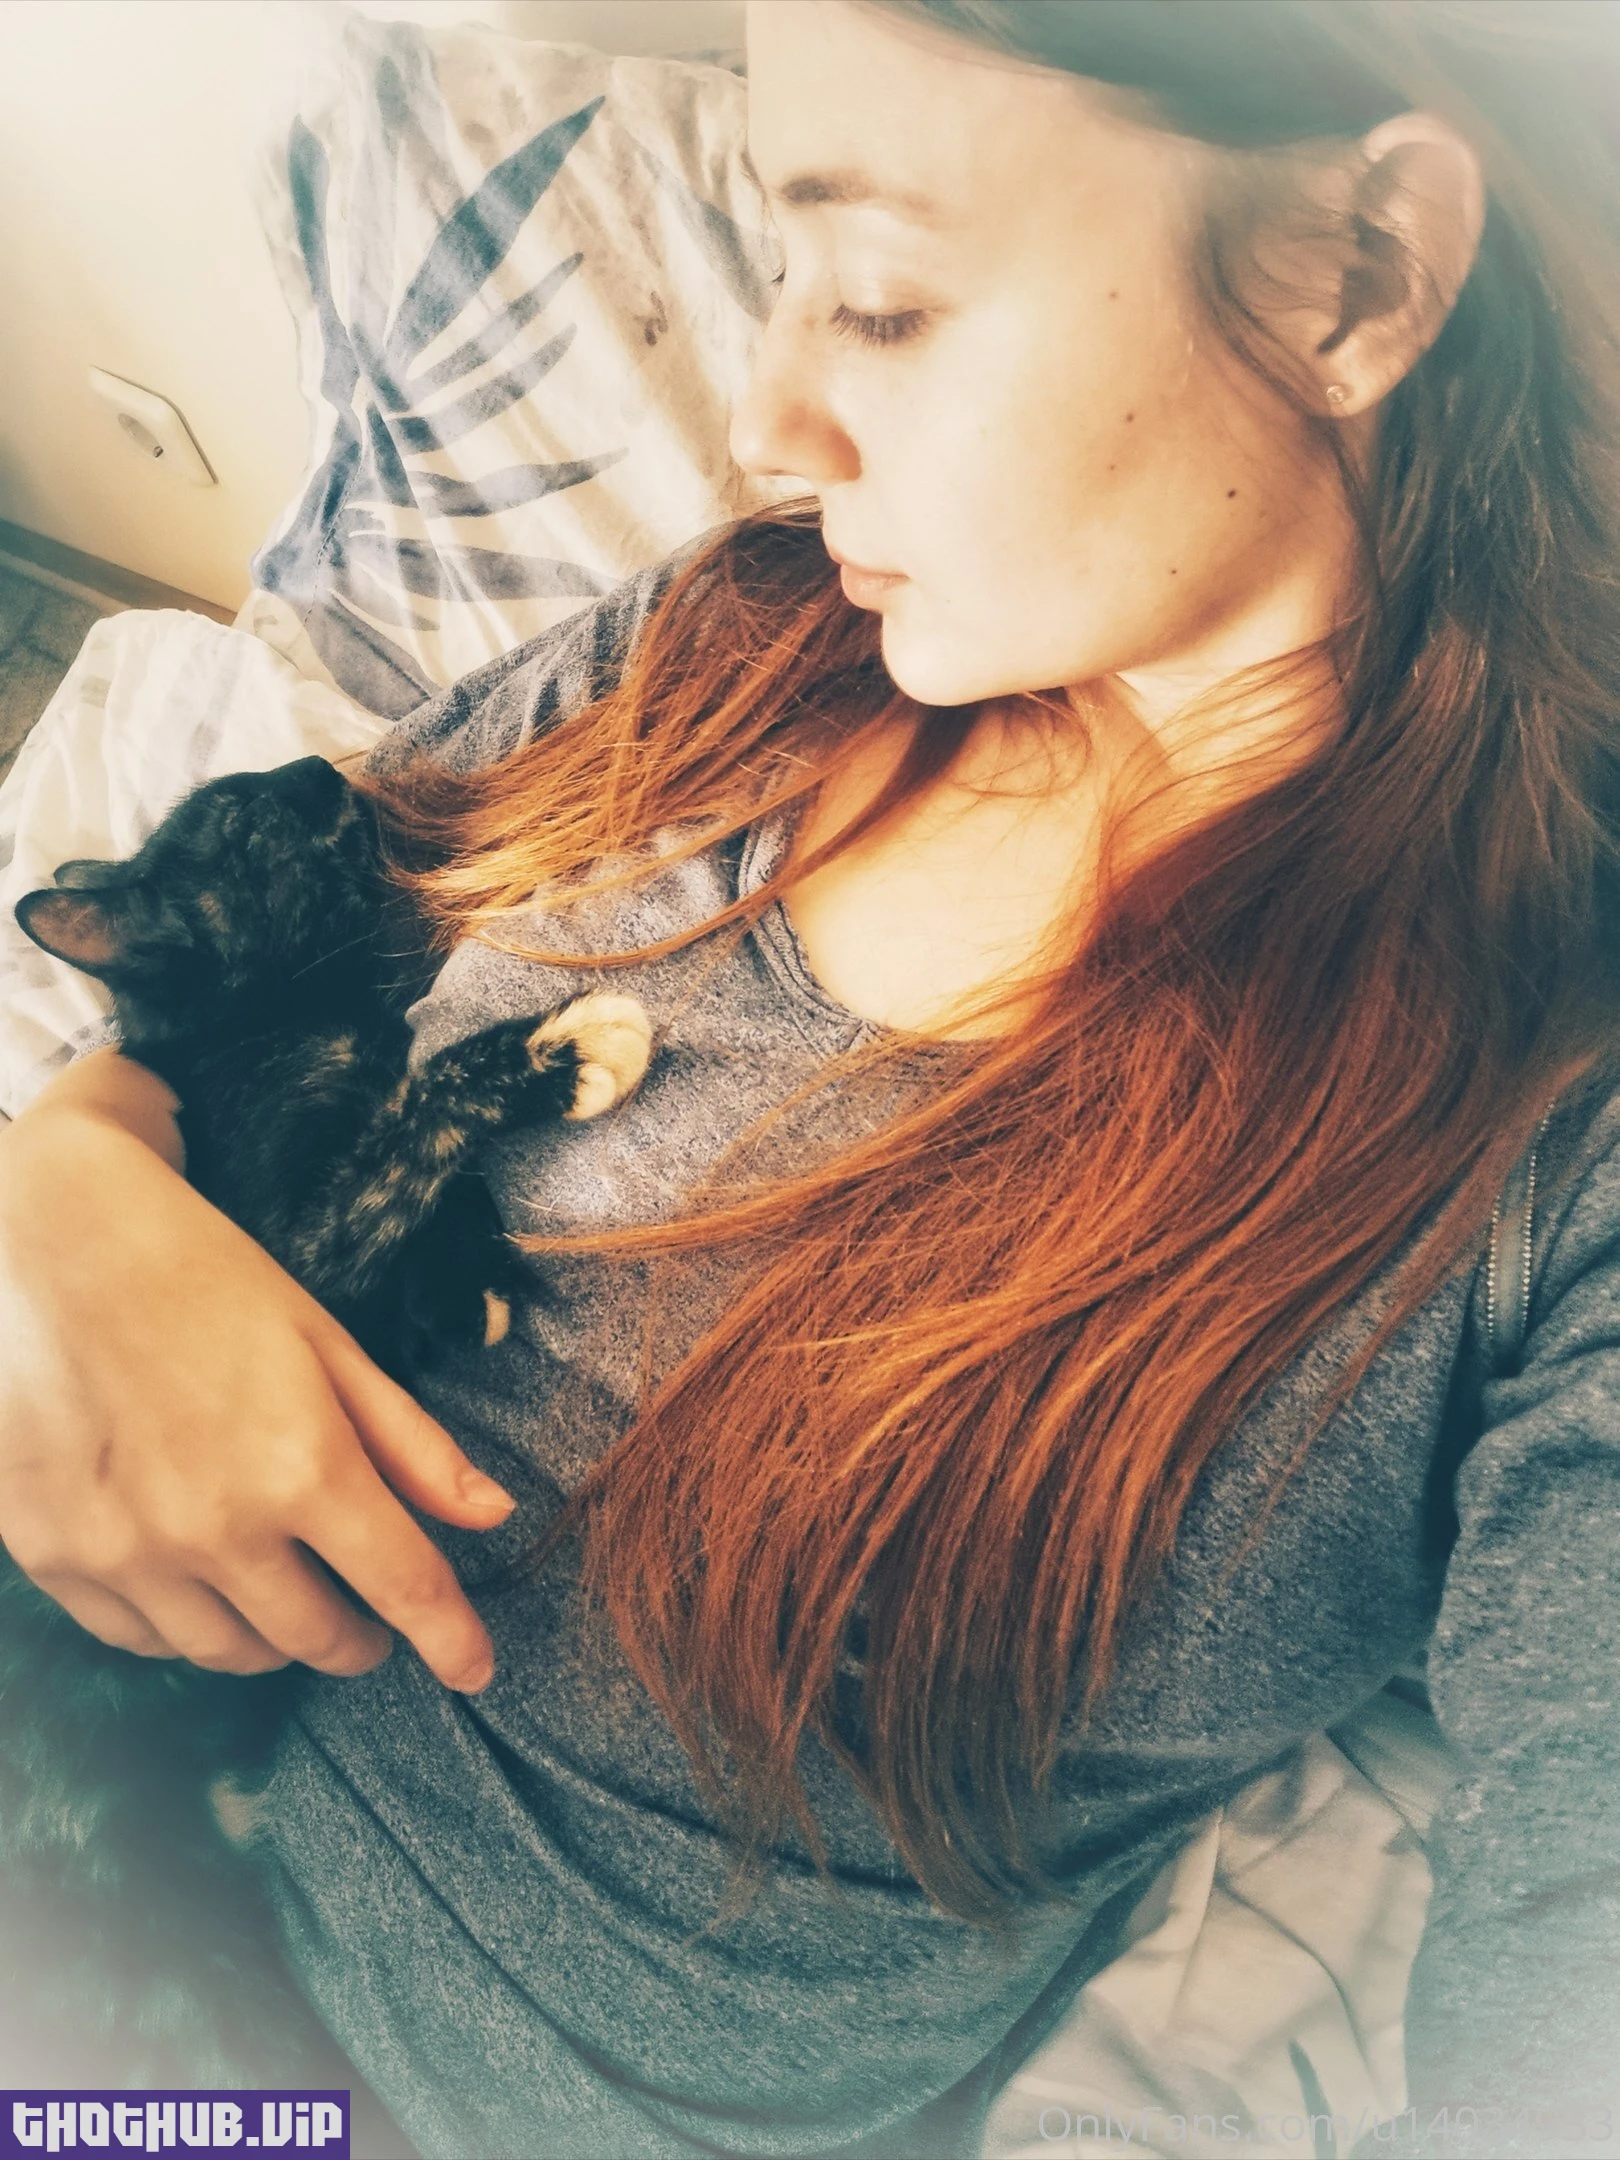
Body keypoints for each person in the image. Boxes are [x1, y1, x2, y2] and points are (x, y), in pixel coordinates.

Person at [2, 1, 1620, 2154]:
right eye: (780, 273)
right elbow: (283, 908)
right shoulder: (740, 634)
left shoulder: (1557, 1133)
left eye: (881, 299)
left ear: (1360, 273)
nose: (766, 423)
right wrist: (77, 1177)